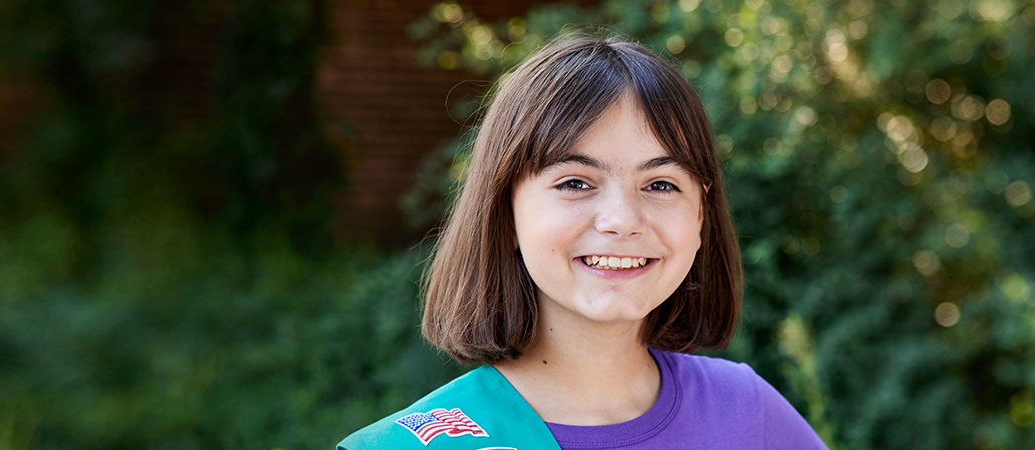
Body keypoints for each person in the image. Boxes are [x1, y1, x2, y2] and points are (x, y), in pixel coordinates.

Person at [336, 33, 827, 450]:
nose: (621, 220)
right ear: (504, 211)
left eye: (660, 185)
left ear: (701, 214)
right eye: (575, 183)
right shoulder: (412, 445)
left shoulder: (748, 415)